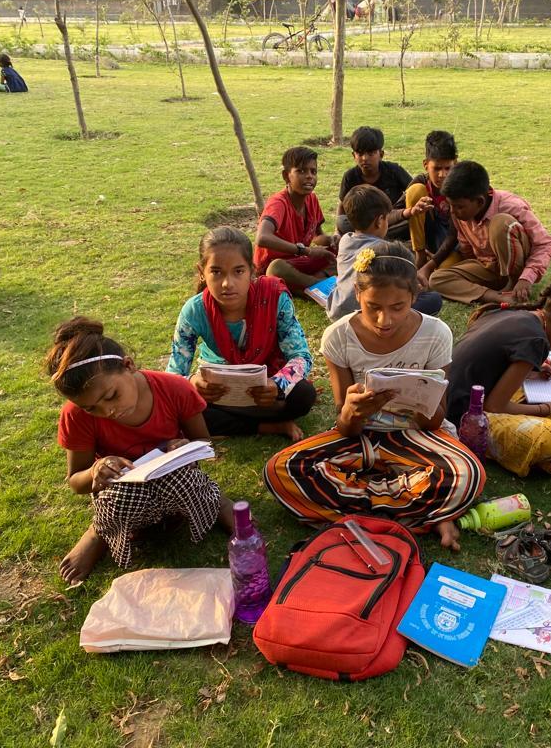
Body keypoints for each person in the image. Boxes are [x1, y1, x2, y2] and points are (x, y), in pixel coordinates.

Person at [264, 241, 485, 552]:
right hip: (361, 439)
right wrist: (354, 411)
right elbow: (345, 427)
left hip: (416, 436)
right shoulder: (339, 336)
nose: (385, 320)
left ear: (414, 296)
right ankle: (420, 510)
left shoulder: (436, 334)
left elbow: (436, 420)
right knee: (280, 469)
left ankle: (356, 510)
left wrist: (417, 404)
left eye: (398, 307)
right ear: (357, 294)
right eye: (373, 307)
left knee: (468, 474)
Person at [46, 317, 235, 586]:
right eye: (92, 408)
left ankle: (218, 502)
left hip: (175, 477)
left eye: (111, 396)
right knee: (120, 499)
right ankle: (99, 532)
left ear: (129, 365)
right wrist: (95, 471)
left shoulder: (174, 388)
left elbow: (204, 443)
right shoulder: (75, 415)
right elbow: (76, 481)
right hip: (121, 491)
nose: (107, 411)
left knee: (188, 481)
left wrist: (183, 446)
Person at [167, 226, 317, 442]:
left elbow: (301, 356)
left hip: (265, 389)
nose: (227, 283)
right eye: (216, 272)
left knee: (303, 395)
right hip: (218, 395)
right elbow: (173, 376)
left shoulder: (275, 298)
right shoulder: (194, 310)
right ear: (202, 272)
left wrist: (277, 384)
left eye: (238, 271)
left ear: (252, 271)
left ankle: (242, 423)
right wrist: (193, 382)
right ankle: (268, 426)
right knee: (186, 408)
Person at [447, 282, 551, 477]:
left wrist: (532, 371)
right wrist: (548, 408)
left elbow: (492, 366)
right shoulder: (536, 340)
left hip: (453, 395)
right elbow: (495, 405)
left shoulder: (518, 315)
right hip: (461, 416)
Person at [423, 160, 551, 306]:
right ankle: (498, 297)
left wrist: (526, 278)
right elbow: (467, 249)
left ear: (480, 202)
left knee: (501, 223)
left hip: (518, 269)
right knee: (437, 279)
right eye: (450, 205)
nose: (453, 211)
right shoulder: (459, 213)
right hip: (488, 267)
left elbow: (545, 244)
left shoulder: (511, 206)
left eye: (459, 206)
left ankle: (513, 284)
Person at [326, 184, 442, 320]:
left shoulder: (345, 239)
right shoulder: (389, 251)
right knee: (434, 299)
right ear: (380, 221)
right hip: (366, 313)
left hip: (337, 311)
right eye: (387, 218)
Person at [254, 145, 336, 291]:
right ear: (286, 176)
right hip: (275, 266)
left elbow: (317, 236)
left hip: (299, 261)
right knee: (276, 268)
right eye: (301, 171)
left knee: (339, 251)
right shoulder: (279, 203)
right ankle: (319, 286)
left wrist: (332, 240)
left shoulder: (312, 200)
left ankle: (313, 283)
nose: (309, 176)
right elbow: (262, 237)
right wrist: (305, 251)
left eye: (313, 171)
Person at [335, 126, 418, 239]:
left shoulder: (394, 171)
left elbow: (413, 190)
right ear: (354, 155)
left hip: (391, 222)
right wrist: (337, 231)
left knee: (412, 220)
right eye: (360, 153)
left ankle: (373, 238)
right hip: (364, 226)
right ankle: (378, 238)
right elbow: (342, 206)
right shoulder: (350, 177)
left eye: (371, 153)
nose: (365, 158)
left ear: (381, 154)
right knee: (342, 221)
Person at [394, 129, 457, 269]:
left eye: (448, 168)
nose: (442, 175)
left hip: (453, 244)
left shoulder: (460, 184)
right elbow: (391, 214)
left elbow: (454, 235)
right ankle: (420, 254)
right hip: (429, 239)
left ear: (456, 162)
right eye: (437, 168)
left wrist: (433, 264)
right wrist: (411, 211)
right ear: (426, 165)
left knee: (443, 272)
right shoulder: (422, 181)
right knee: (415, 190)